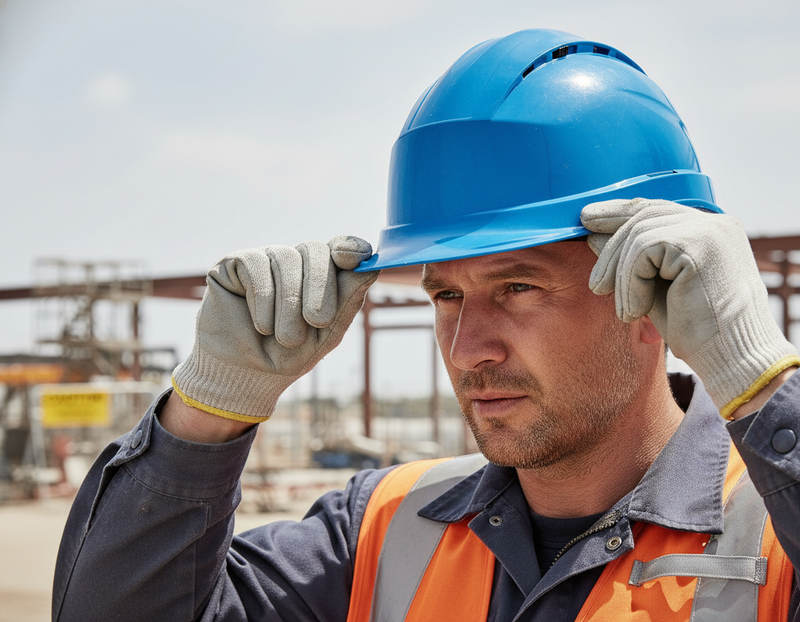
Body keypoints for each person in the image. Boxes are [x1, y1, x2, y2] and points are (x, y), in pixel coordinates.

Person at [52, 29, 800, 621]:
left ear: (655, 290)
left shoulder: (772, 536)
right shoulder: (380, 530)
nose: (468, 347)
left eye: (517, 286)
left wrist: (764, 385)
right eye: (446, 295)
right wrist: (205, 413)